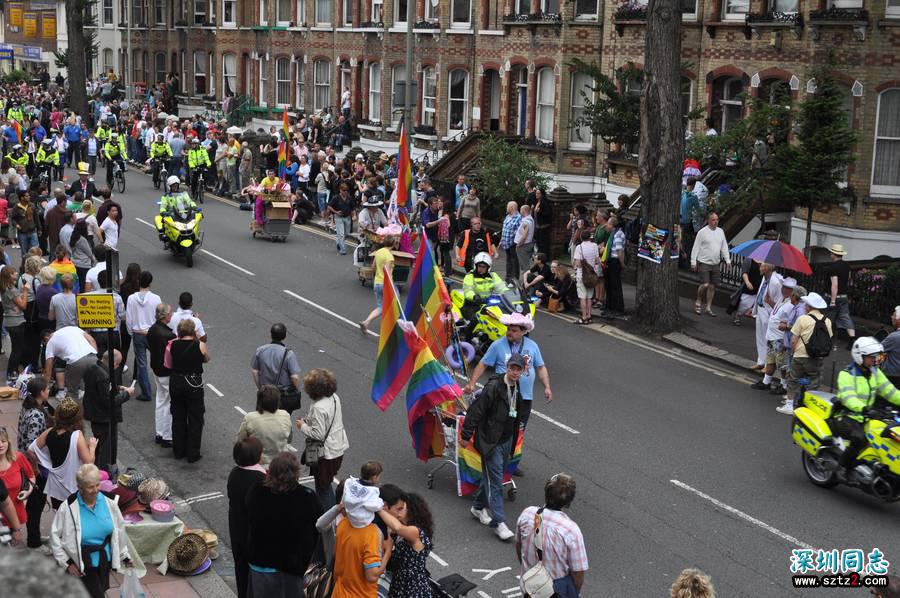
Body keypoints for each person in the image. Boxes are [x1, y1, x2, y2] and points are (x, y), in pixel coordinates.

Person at [461, 354, 527, 541]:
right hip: (491, 441)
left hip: (506, 440)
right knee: (496, 481)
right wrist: (466, 435)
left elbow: (515, 414)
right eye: (512, 368)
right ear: (507, 367)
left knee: (491, 476)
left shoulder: (517, 386)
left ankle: (478, 507)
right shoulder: (493, 387)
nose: (515, 372)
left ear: (523, 371)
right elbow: (476, 411)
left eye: (518, 369)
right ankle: (498, 522)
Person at [245, 451, 323, 597]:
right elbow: (317, 528)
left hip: (260, 563)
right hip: (291, 568)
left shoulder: (256, 490)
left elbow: (249, 516)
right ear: (295, 473)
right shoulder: (307, 497)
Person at [49, 463, 132, 598]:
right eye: (90, 487)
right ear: (80, 487)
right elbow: (54, 536)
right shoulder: (68, 507)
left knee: (98, 591)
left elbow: (119, 530)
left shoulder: (110, 502)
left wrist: (125, 556)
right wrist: (67, 563)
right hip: (82, 563)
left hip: (104, 561)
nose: (95, 490)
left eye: (97, 485)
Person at [833, 337, 900, 482]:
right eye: (872, 357)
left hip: (867, 416)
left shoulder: (875, 372)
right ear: (860, 356)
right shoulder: (847, 374)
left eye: (878, 357)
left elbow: (890, 392)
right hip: (847, 416)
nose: (876, 360)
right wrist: (864, 408)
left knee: (884, 437)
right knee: (860, 438)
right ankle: (842, 467)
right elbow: (848, 397)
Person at [515, 473, 588, 597]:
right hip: (554, 592)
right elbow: (578, 573)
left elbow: (518, 545)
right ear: (568, 502)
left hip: (529, 585)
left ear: (546, 493)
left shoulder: (527, 514)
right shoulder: (570, 531)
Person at [296, 368, 349, 510]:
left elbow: (318, 434)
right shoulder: (334, 397)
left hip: (326, 454)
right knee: (326, 483)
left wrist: (302, 426)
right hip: (338, 447)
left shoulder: (319, 407)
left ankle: (329, 514)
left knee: (323, 487)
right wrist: (309, 420)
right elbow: (328, 420)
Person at [30, 399, 98, 509]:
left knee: (60, 514)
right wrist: (92, 447)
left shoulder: (49, 432)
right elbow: (89, 462)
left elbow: (31, 450)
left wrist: (36, 468)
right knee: (74, 515)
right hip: (73, 485)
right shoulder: (76, 435)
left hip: (55, 486)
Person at [331, 478, 392, 598]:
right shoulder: (372, 533)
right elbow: (371, 576)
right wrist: (388, 553)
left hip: (338, 592)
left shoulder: (343, 523)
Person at [81, 350, 135, 475]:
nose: (118, 367)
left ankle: (97, 471)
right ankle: (104, 475)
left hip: (94, 414)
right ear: (114, 363)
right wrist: (127, 394)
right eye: (118, 364)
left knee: (98, 446)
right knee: (106, 451)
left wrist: (117, 387)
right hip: (104, 417)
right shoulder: (104, 376)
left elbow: (100, 391)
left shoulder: (93, 368)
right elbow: (109, 401)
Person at [17, 376, 55, 551]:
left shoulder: (29, 407)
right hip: (34, 467)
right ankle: (34, 541)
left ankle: (36, 536)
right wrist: (35, 469)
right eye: (47, 389)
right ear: (41, 392)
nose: (49, 391)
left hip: (29, 464)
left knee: (35, 502)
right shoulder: (36, 414)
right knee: (35, 504)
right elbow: (31, 447)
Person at [228, 437, 266, 598]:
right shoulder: (261, 479)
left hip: (236, 529)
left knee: (241, 571)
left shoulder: (234, 474)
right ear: (256, 456)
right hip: (254, 535)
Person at [377, 493, 435, 597]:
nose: (397, 512)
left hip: (414, 590)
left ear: (412, 510)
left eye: (401, 508)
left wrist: (377, 508)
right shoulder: (399, 533)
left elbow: (397, 528)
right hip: (399, 586)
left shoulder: (416, 531)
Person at [168, 318, 210, 463]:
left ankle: (178, 450)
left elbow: (169, 363)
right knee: (195, 418)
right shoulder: (200, 345)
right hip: (193, 384)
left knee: (178, 417)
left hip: (176, 382)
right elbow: (206, 359)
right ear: (193, 330)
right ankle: (193, 452)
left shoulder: (173, 344)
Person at [784, 292, 834, 406]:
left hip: (800, 355)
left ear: (809, 306)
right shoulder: (827, 321)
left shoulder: (803, 319)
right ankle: (809, 405)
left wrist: (793, 352)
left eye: (806, 304)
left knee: (793, 379)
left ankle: (789, 404)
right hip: (817, 357)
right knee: (814, 382)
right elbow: (828, 338)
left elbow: (793, 340)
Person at [752, 277, 796, 395]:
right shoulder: (782, 299)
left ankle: (784, 385)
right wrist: (770, 301)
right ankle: (766, 382)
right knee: (770, 360)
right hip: (772, 336)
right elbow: (777, 313)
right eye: (784, 287)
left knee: (782, 364)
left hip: (780, 338)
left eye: (788, 288)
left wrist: (786, 326)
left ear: (793, 291)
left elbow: (793, 321)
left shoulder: (792, 304)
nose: (784, 290)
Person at [250, 323, 302, 413]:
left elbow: (254, 371)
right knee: (282, 419)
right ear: (285, 336)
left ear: (270, 335)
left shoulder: (260, 350)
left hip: (265, 392)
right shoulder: (289, 354)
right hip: (282, 395)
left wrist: (260, 387)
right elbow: (295, 377)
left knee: (263, 417)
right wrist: (296, 389)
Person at [125, 270, 161, 402]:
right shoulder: (156, 298)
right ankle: (163, 388)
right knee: (159, 360)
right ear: (150, 282)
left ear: (138, 281)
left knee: (141, 364)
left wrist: (131, 332)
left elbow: (129, 318)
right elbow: (159, 317)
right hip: (152, 334)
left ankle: (146, 393)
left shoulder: (131, 298)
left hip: (138, 334)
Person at [237, 385, 293, 466]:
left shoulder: (250, 418)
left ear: (259, 401)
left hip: (258, 464)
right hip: (280, 463)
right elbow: (289, 439)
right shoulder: (285, 415)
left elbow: (240, 441)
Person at [0, 426, 36, 548]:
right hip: (1, 520)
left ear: (8, 442)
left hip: (16, 513)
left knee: (12, 549)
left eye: (3, 441)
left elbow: (31, 477)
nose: (0, 445)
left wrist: (27, 491)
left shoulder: (18, 458)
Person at [690, 212, 730, 317]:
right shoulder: (702, 232)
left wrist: (728, 261)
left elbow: (724, 247)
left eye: (717, 220)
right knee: (705, 284)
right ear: (708, 221)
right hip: (703, 262)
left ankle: (708, 307)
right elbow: (695, 247)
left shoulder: (720, 231)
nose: (715, 222)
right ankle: (698, 301)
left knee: (712, 286)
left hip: (715, 263)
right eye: (713, 220)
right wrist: (693, 262)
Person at [148, 303, 176, 448]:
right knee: (169, 402)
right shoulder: (169, 335)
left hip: (156, 369)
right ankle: (167, 435)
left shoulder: (152, 329)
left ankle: (159, 433)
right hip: (166, 371)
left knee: (160, 401)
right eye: (170, 313)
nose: (172, 315)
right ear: (165, 316)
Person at [43, 325, 99, 398]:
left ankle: (72, 404)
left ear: (46, 338)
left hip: (75, 361)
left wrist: (44, 388)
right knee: (93, 388)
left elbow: (48, 369)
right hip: (93, 357)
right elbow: (91, 340)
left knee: (72, 392)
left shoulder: (50, 342)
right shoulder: (73, 328)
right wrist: (95, 355)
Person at [459, 252, 506, 337]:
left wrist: (509, 294)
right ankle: (467, 338)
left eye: (483, 267)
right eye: (479, 266)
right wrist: (474, 297)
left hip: (488, 304)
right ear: (476, 266)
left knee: (499, 319)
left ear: (488, 268)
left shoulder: (493, 276)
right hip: (472, 305)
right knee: (476, 318)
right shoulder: (470, 276)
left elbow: (501, 287)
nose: (481, 268)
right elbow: (468, 290)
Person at [359, 235, 396, 333]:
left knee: (381, 306)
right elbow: (388, 273)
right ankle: (391, 326)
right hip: (386, 284)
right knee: (395, 303)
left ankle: (366, 322)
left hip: (377, 283)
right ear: (393, 244)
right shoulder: (390, 257)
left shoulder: (378, 252)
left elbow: (373, 266)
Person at [823, 243, 855, 348]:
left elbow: (834, 284)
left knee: (829, 319)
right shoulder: (847, 266)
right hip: (843, 296)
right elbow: (847, 280)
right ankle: (852, 339)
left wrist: (832, 301)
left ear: (834, 254)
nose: (830, 254)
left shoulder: (833, 267)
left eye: (831, 253)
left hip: (833, 297)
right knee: (845, 317)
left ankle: (826, 341)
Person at [1, 264, 29, 382]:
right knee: (17, 349)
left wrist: (20, 295)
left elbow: (15, 302)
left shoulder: (5, 289)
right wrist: (25, 291)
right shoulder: (12, 290)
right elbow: (23, 305)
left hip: (9, 320)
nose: (16, 274)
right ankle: (11, 372)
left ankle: (13, 371)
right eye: (13, 273)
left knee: (16, 348)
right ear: (9, 276)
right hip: (16, 321)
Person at [753, 263, 783, 370]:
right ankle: (761, 361)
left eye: (763, 266)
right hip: (760, 309)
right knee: (760, 337)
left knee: (767, 339)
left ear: (770, 268)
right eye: (761, 266)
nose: (760, 268)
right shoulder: (764, 278)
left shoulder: (776, 282)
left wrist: (770, 305)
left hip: (768, 312)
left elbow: (779, 302)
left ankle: (767, 365)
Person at [573, 230, 599, 325]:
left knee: (582, 297)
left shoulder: (579, 247)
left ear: (581, 237)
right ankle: (589, 316)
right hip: (592, 275)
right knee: (589, 297)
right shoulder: (595, 246)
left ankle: (584, 317)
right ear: (589, 237)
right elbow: (597, 261)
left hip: (582, 275)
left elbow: (578, 264)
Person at [500, 201, 522, 280]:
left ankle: (514, 279)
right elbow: (504, 229)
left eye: (507, 207)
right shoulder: (507, 216)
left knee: (514, 261)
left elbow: (520, 232)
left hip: (514, 243)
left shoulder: (519, 218)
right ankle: (508, 278)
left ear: (511, 208)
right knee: (508, 260)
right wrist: (501, 240)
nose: (506, 208)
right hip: (506, 243)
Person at [515, 204, 535, 274]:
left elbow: (524, 236)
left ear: (523, 211)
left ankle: (527, 279)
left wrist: (519, 244)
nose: (520, 211)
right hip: (527, 244)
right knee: (525, 264)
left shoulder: (526, 222)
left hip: (523, 245)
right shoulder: (530, 219)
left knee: (525, 266)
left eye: (521, 210)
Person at [884, 306, 900, 388]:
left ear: (899, 320)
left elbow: (878, 349)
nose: (891, 317)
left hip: (892, 376)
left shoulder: (894, 337)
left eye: (894, 315)